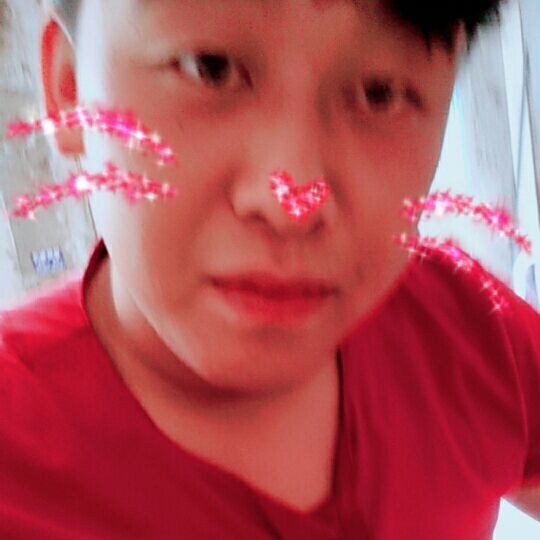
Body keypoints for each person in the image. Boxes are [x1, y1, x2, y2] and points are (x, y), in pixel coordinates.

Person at [1, 0, 539, 537]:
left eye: (380, 93)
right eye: (209, 68)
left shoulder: (469, 329)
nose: (291, 203)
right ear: (70, 92)